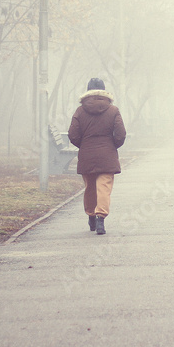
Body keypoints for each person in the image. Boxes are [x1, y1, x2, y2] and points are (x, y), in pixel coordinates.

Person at [67, 78, 126, 235]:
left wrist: (84, 145)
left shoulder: (80, 111)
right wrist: (112, 146)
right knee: (104, 188)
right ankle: (101, 218)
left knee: (90, 188)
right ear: (104, 92)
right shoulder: (113, 110)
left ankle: (91, 215)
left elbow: (73, 135)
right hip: (107, 156)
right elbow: (120, 134)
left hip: (87, 156)